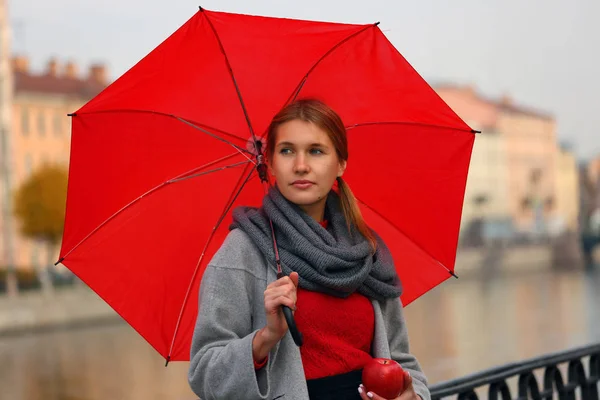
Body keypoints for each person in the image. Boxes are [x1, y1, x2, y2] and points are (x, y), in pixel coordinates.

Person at [188, 99, 430, 400]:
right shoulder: (243, 250)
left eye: (316, 151)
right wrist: (266, 338)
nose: (301, 166)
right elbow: (204, 373)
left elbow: (402, 360)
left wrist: (413, 396)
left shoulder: (364, 248)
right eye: (287, 151)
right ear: (271, 163)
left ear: (340, 163)